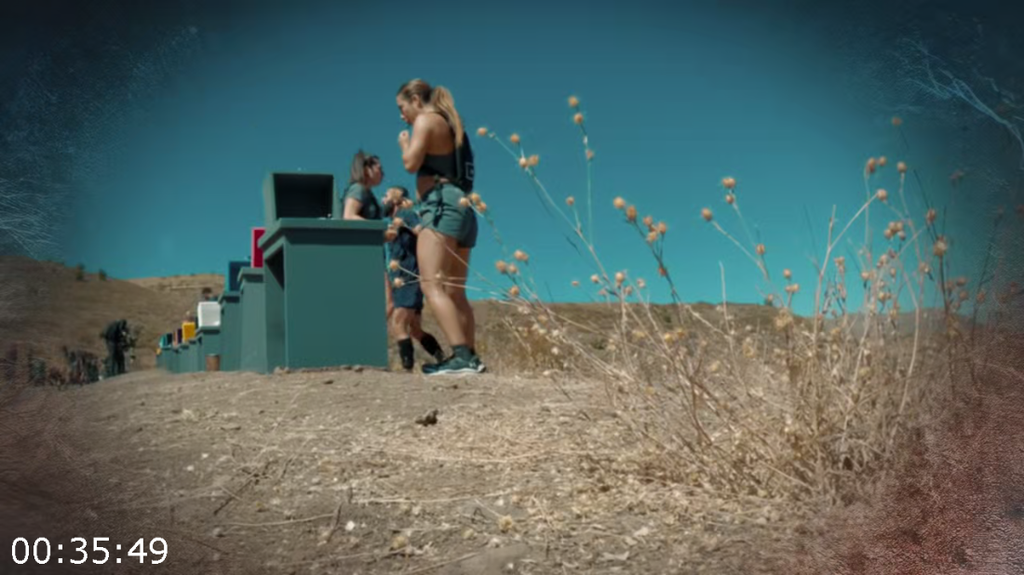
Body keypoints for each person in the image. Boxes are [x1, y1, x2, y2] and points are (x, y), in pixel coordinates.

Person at [395, 78, 484, 375]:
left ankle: (461, 357)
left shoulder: (426, 120)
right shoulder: (454, 125)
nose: (402, 116)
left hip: (441, 205)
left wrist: (405, 144)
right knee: (456, 291)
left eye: (402, 107)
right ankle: (471, 358)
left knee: (431, 284)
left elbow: (410, 163)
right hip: (464, 208)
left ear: (416, 100)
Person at [382, 186, 447, 371]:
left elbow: (422, 233)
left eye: (386, 195)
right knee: (415, 330)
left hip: (408, 277)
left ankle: (407, 368)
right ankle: (442, 358)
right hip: (405, 279)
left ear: (396, 199)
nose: (383, 199)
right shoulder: (394, 222)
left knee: (398, 323)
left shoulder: (407, 214)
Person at [342, 151, 385, 221]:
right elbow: (349, 216)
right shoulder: (358, 189)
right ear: (367, 169)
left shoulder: (368, 194)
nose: (383, 173)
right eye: (379, 169)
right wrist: (373, 226)